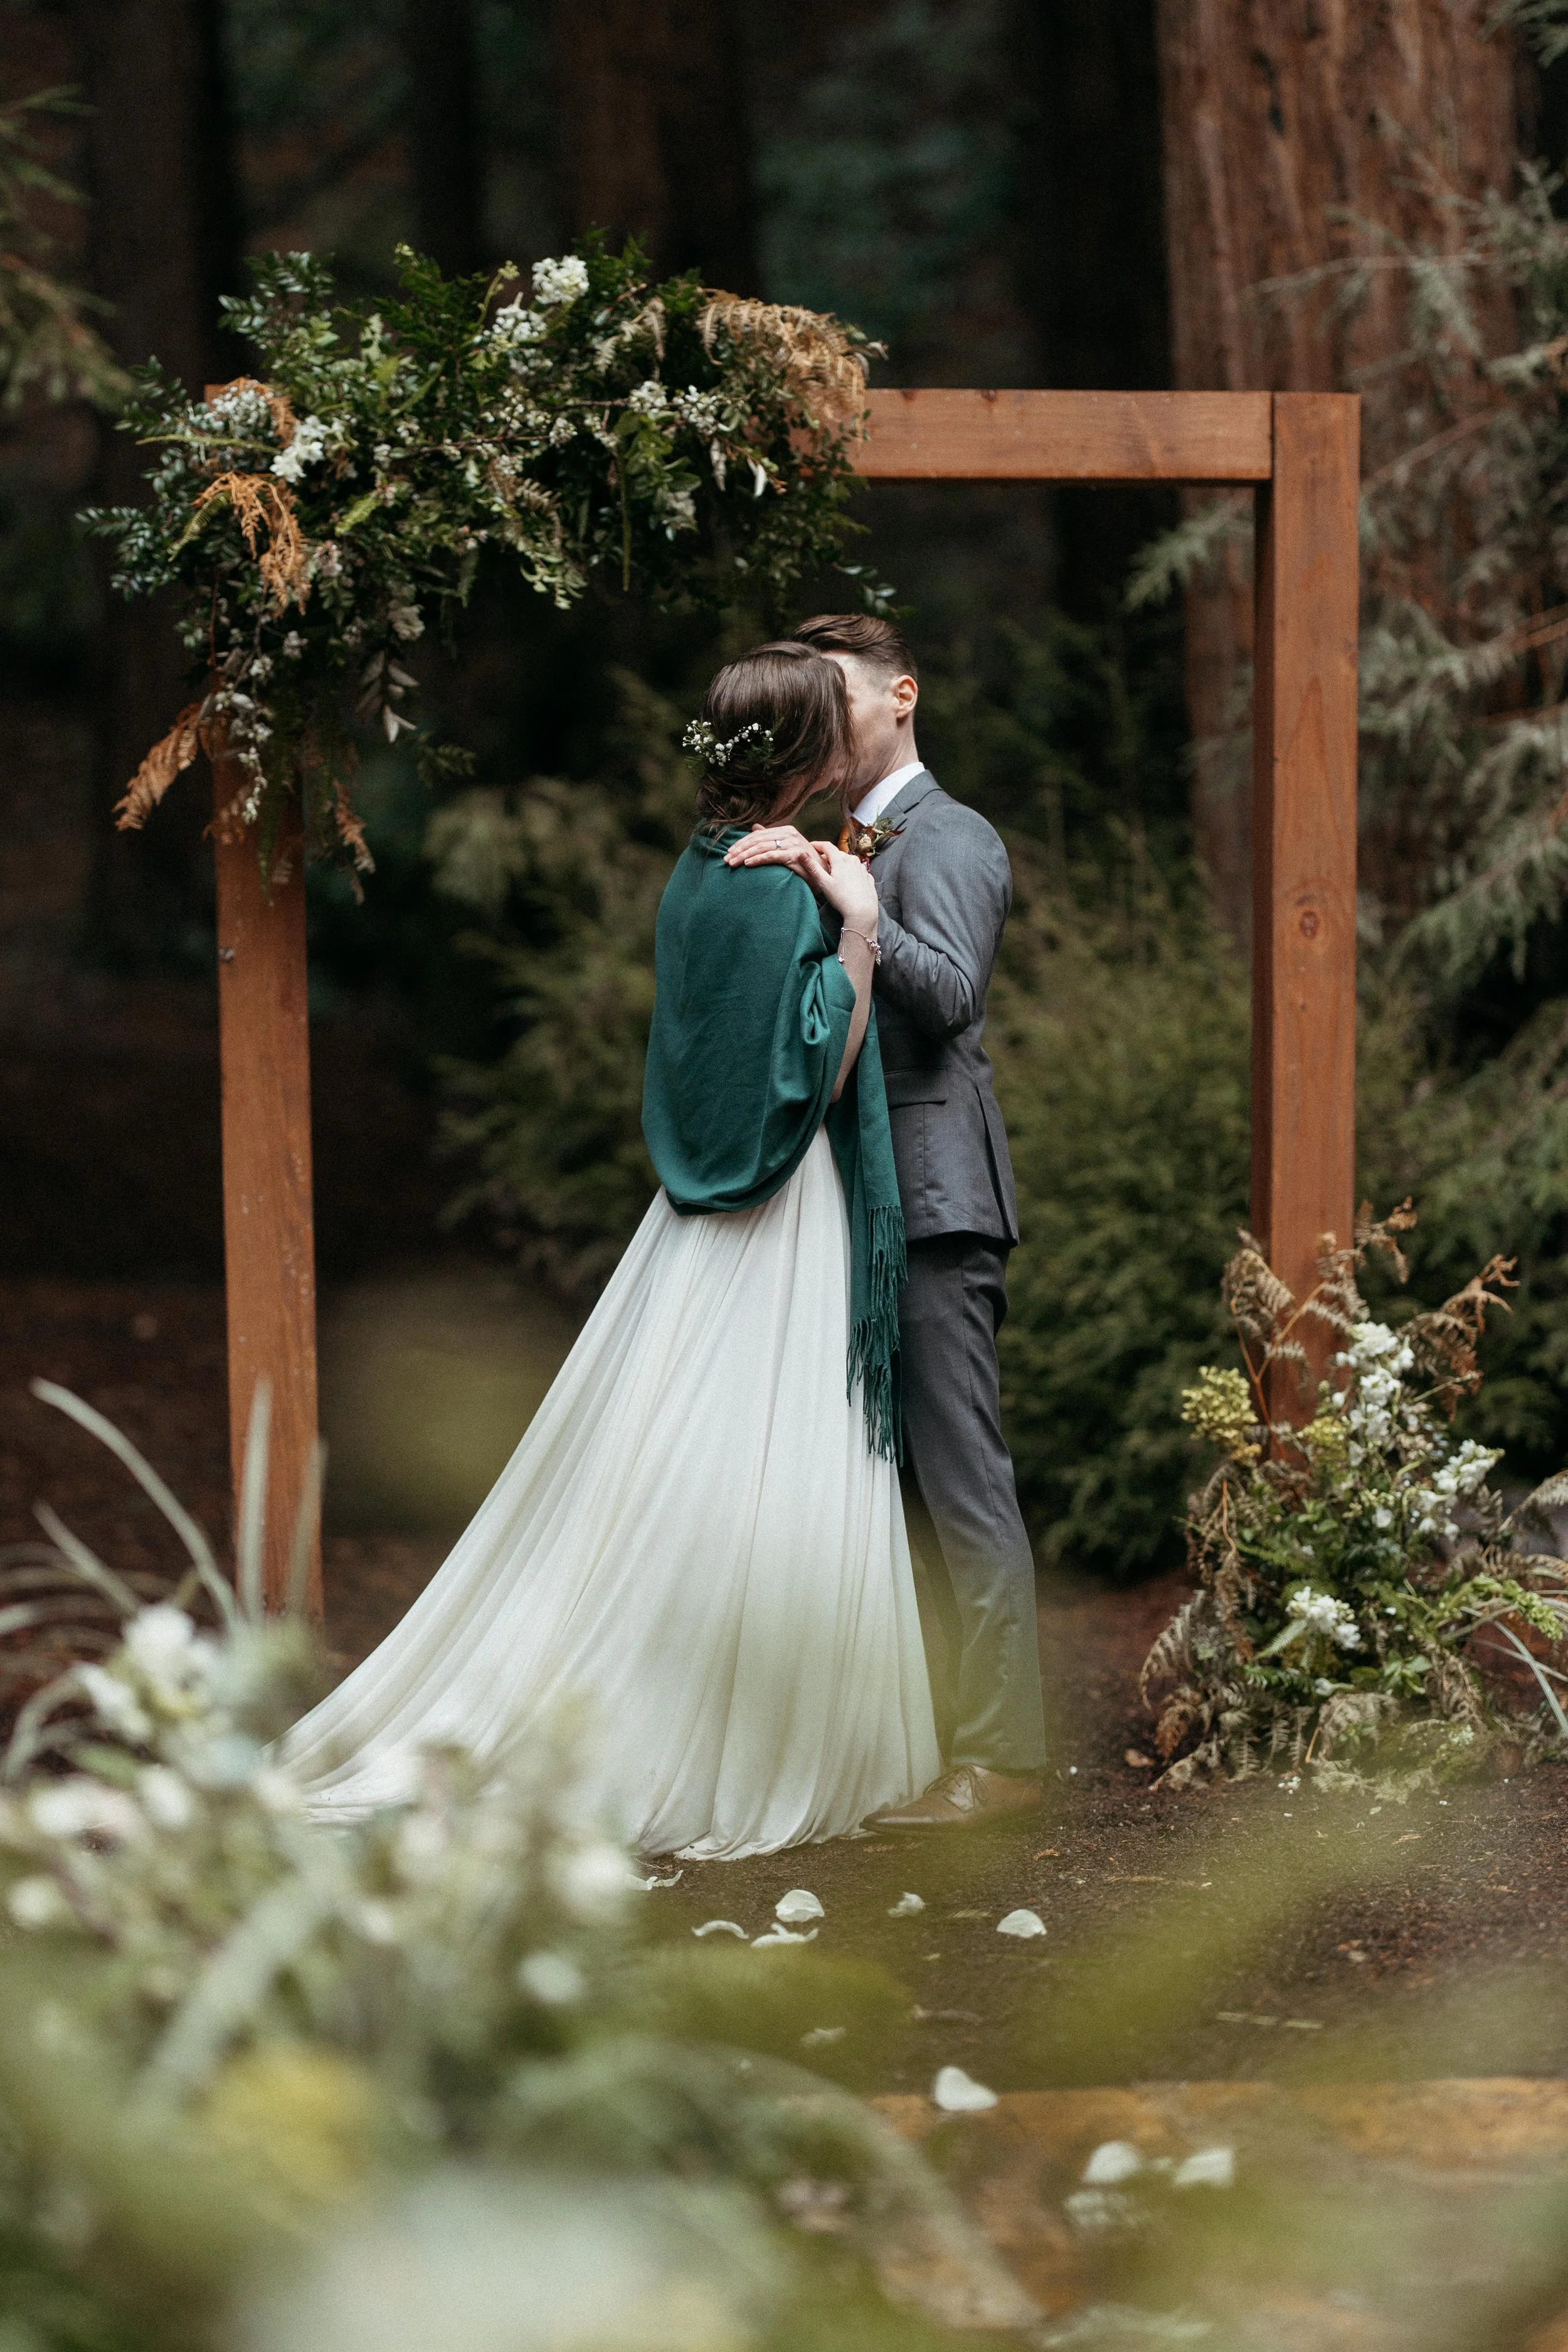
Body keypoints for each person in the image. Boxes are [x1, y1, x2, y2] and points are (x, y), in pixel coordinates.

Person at [280, 643, 939, 1860]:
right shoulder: (774, 893)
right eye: (830, 728)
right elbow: (817, 1072)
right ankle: (731, 1739)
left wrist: (816, 871)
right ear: (806, 756)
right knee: (757, 1464)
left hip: (700, 1227)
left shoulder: (707, 865)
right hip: (777, 1220)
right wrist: (857, 927)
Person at [724, 613, 1046, 1831]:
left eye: (837, 700)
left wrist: (847, 900)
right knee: (890, 1499)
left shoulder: (952, 835)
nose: (819, 724)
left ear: (900, 696)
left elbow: (952, 996)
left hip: (935, 1201)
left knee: (961, 1488)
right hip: (858, 1201)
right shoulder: (842, 841)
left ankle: (1002, 1760)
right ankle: (919, 1741)